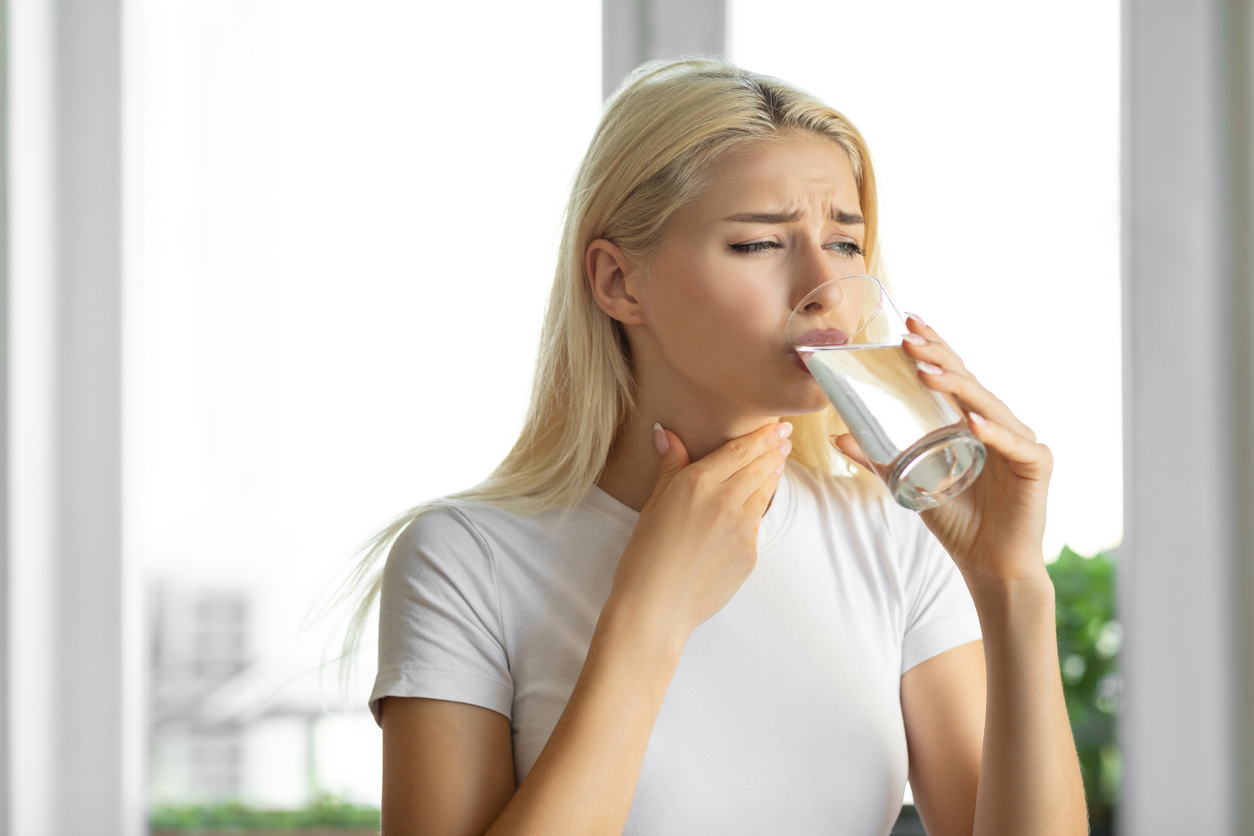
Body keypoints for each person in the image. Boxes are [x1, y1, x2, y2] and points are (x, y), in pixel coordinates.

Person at [350, 58, 1088, 835]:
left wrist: (1011, 583)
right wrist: (653, 613)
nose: (824, 287)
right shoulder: (466, 560)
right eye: (760, 243)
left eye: (845, 243)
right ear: (618, 282)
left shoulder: (893, 533)